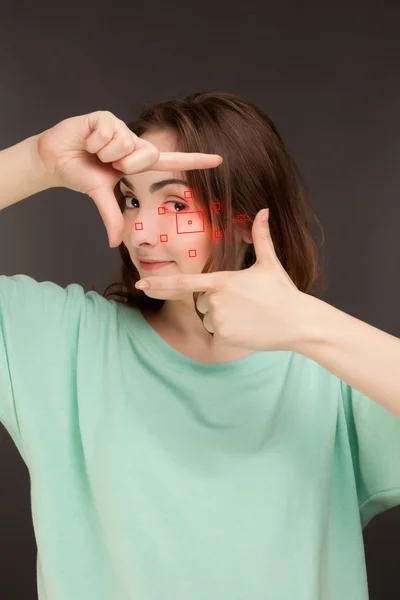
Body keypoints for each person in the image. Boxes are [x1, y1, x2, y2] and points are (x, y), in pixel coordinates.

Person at [0, 91, 400, 600]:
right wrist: (36, 160)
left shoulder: (333, 371)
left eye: (174, 203)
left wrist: (302, 321)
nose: (138, 231)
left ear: (248, 217)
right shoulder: (63, 343)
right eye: (131, 200)